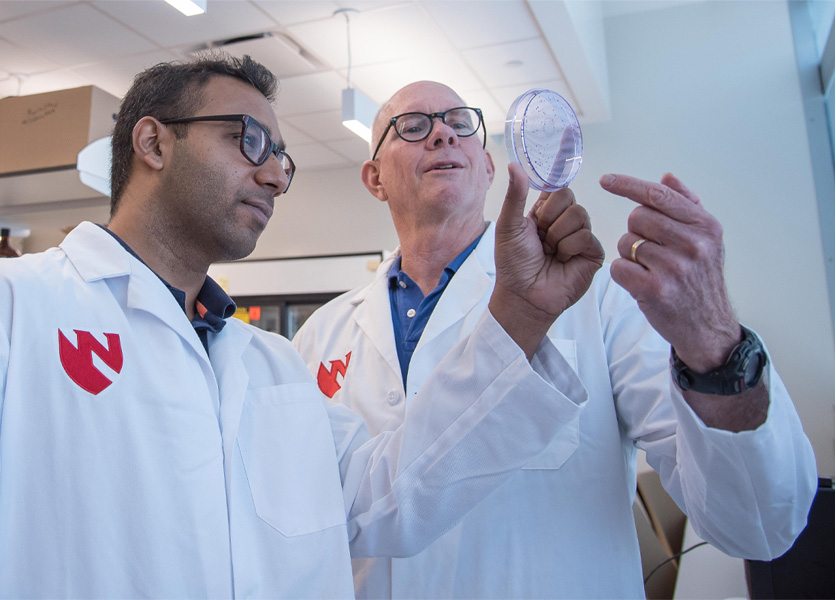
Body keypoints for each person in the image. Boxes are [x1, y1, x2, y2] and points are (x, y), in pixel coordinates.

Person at [0, 56, 608, 598]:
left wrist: (517, 319)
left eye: (281, 157)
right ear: (153, 141)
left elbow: (390, 495)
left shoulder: (274, 365)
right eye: (248, 140)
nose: (273, 176)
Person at [292, 81, 818, 598]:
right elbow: (309, 517)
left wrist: (715, 345)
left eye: (459, 123)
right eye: (412, 126)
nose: (443, 136)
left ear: (489, 165)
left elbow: (756, 524)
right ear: (374, 177)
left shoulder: (596, 298)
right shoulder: (321, 334)